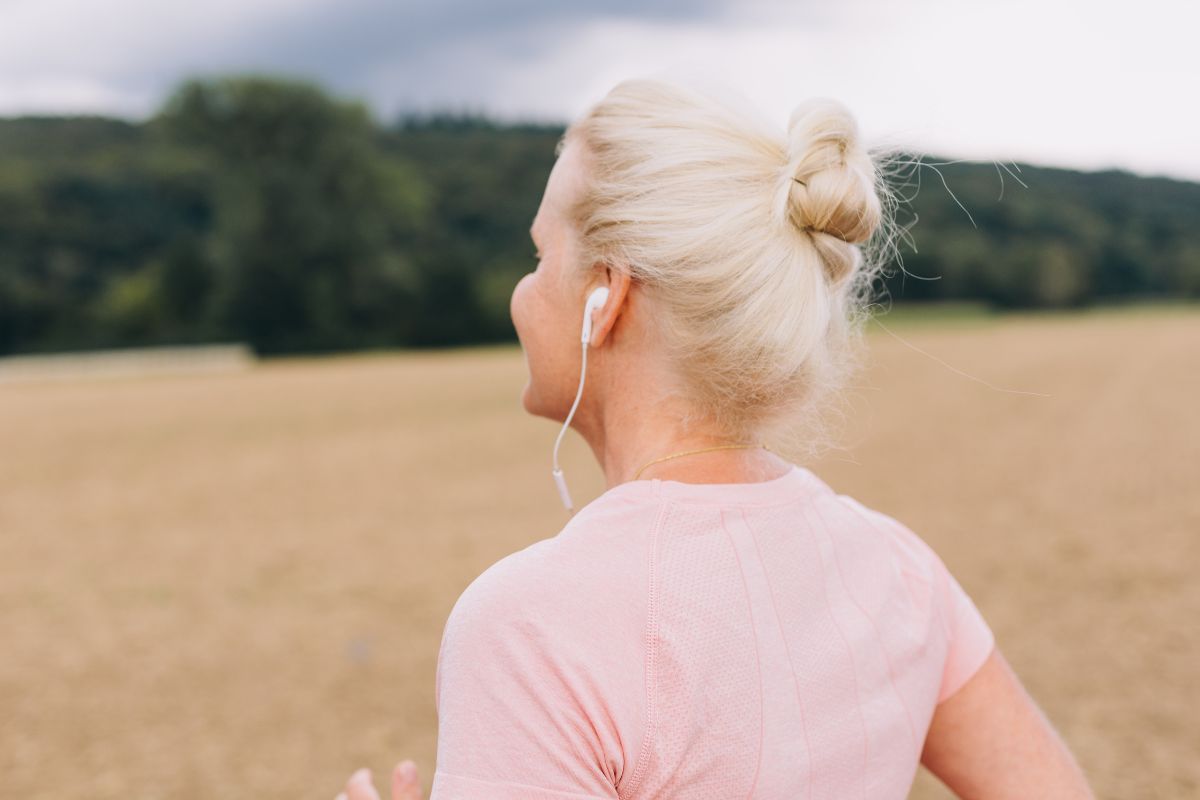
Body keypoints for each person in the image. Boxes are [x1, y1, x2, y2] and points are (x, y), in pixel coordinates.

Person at [335, 78, 1095, 799]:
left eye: (540, 256)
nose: (524, 292)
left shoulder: (528, 628)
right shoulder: (899, 570)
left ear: (609, 295)